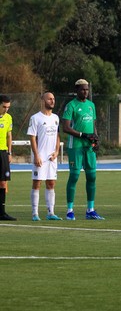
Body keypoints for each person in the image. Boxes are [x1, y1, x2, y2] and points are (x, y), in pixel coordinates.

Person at [62, 79, 104, 220]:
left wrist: (96, 139)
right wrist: (82, 135)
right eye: (82, 89)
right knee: (74, 176)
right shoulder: (71, 106)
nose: (85, 92)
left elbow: (93, 125)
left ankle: (90, 210)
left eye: (87, 89)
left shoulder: (91, 105)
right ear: (77, 90)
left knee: (92, 177)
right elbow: (66, 128)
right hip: (76, 147)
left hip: (88, 147)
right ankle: (69, 210)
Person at [27, 92, 62, 221]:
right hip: (40, 157)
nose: (52, 101)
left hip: (52, 157)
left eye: (53, 99)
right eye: (50, 99)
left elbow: (58, 136)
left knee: (51, 183)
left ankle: (50, 212)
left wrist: (57, 152)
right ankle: (35, 213)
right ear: (43, 101)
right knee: (37, 183)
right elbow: (32, 137)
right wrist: (36, 155)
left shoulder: (56, 118)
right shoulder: (35, 118)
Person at [0, 95, 16, 221]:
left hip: (3, 153)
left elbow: (9, 136)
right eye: (4, 107)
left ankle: (2, 212)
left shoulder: (8, 118)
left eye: (8, 107)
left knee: (3, 182)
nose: (6, 110)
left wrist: (9, 153)